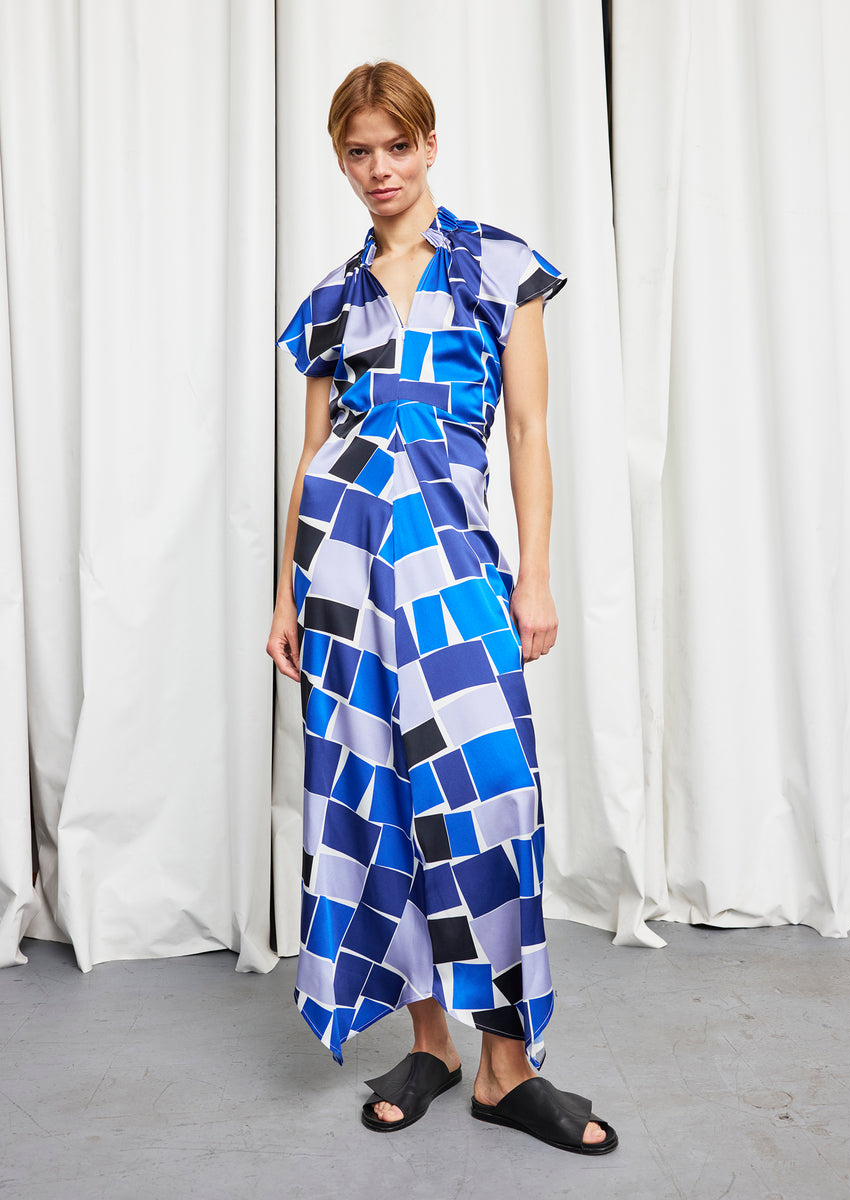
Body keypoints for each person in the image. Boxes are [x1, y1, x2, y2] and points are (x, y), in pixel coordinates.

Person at [268, 60, 617, 1156]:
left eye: (396, 147)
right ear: (341, 159)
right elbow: (314, 452)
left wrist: (538, 575)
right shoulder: (330, 300)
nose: (379, 170)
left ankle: (506, 1069)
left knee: (490, 799)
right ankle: (431, 1042)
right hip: (344, 584)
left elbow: (525, 433)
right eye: (358, 152)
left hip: (457, 574)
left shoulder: (498, 268)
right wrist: (284, 592)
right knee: (377, 803)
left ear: (430, 145)